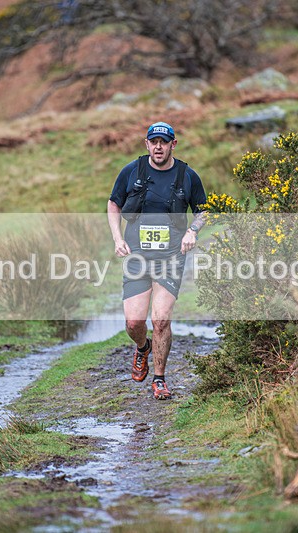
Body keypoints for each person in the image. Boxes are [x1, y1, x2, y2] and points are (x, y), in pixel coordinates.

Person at [107, 121, 207, 400]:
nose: (159, 147)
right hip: (137, 257)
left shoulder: (188, 175)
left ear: (173, 144)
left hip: (170, 257)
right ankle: (142, 348)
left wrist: (192, 231)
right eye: (154, 142)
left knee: (161, 319)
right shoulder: (132, 171)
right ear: (147, 144)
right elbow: (113, 203)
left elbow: (202, 210)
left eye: (164, 142)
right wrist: (117, 238)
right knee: (133, 323)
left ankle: (159, 379)